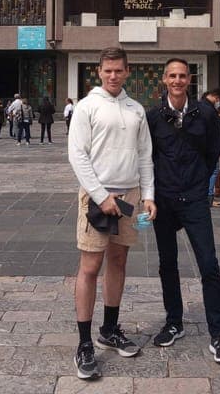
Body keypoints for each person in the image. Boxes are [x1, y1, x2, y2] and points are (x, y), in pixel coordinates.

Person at [67, 47, 156, 380]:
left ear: (127, 71)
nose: (113, 75)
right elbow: (78, 156)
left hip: (131, 194)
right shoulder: (87, 107)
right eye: (108, 71)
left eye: (119, 70)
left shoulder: (136, 110)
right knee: (90, 266)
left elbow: (145, 155)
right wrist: (101, 195)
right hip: (96, 196)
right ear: (99, 72)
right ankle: (84, 342)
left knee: (119, 261)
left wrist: (148, 196)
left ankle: (110, 328)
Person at [146, 57, 220, 365]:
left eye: (182, 75)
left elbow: (214, 151)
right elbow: (148, 157)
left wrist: (199, 183)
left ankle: (218, 333)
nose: (177, 80)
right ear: (164, 79)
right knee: (167, 264)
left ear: (190, 79)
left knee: (209, 264)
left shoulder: (205, 113)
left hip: (195, 199)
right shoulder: (154, 116)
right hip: (165, 199)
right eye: (172, 75)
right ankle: (174, 322)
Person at [201, 88, 220, 208]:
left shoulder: (203, 106)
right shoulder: (208, 109)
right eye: (218, 99)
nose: (218, 101)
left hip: (207, 146)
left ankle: (209, 195)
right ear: (215, 97)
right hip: (210, 147)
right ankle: (209, 198)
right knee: (213, 171)